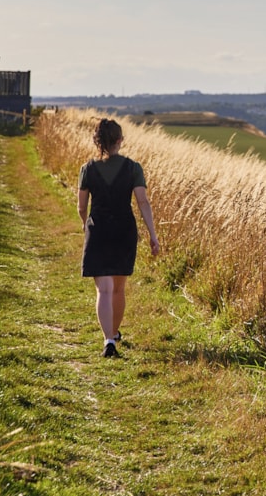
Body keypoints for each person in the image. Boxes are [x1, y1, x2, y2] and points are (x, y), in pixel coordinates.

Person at [77, 118, 160, 358]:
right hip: (124, 230)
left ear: (98, 141)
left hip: (98, 229)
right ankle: (113, 333)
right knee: (119, 289)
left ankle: (108, 340)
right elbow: (142, 202)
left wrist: (85, 224)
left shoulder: (87, 169)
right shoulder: (133, 167)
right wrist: (153, 235)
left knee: (104, 290)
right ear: (120, 141)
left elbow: (82, 206)